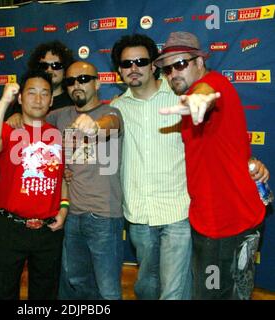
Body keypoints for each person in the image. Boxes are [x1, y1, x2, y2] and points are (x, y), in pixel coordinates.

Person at [110, 34, 269, 300]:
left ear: (199, 61)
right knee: (208, 290)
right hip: (205, 222)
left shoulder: (211, 85)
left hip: (229, 222)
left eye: (181, 64)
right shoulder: (125, 107)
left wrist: (200, 99)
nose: (173, 73)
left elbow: (206, 92)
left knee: (215, 291)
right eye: (168, 68)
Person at [110, 34, 192, 300]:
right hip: (138, 214)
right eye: (126, 64)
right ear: (119, 71)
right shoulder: (116, 108)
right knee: (146, 287)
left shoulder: (181, 100)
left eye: (141, 61)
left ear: (153, 65)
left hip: (177, 211)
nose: (134, 68)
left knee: (173, 291)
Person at [0, 70, 68, 300]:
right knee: (4, 291)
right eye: (31, 93)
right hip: (11, 227)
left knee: (45, 294)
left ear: (51, 100)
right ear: (20, 98)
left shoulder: (58, 135)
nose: (38, 99)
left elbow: (62, 178)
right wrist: (4, 102)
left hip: (48, 231)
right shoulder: (10, 129)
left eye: (44, 94)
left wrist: (64, 207)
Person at [47, 61, 125, 300]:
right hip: (73, 215)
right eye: (70, 81)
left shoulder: (110, 113)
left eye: (83, 79)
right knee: (78, 283)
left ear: (97, 83)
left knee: (108, 289)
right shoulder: (60, 116)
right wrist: (18, 115)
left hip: (104, 216)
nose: (76, 85)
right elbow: (34, 121)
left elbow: (113, 125)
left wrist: (94, 126)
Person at [7, 40, 75, 126]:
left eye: (56, 66)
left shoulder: (73, 101)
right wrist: (16, 116)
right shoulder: (23, 101)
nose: (49, 70)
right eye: (44, 66)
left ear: (66, 69)